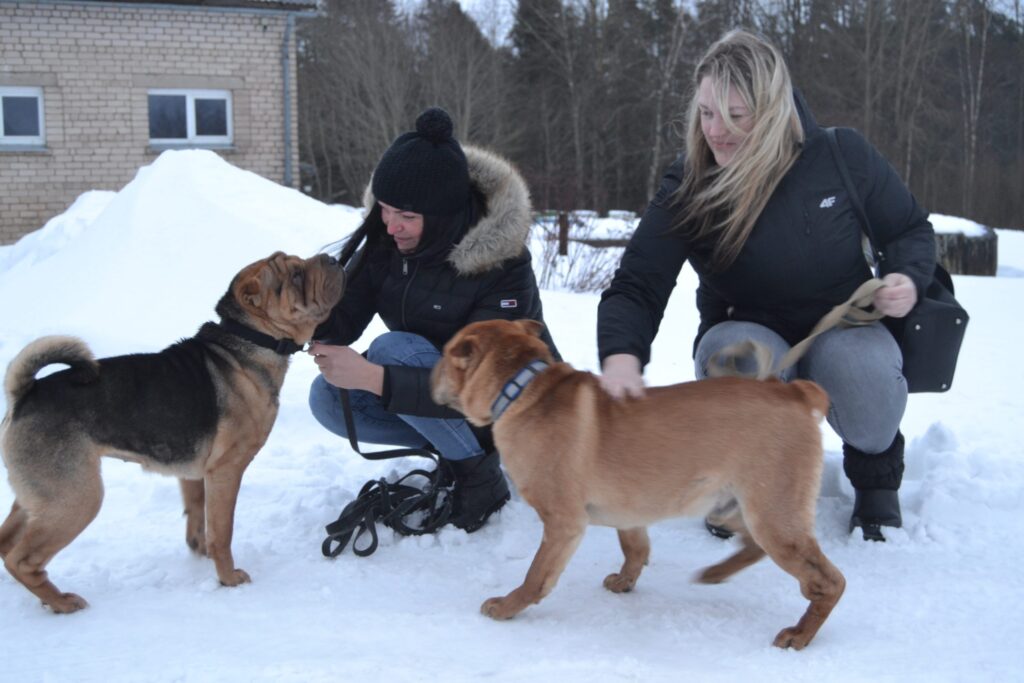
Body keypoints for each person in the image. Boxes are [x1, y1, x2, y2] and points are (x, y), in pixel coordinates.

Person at [596, 30, 936, 542]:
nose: (717, 131)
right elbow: (638, 282)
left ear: (774, 108)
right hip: (746, 328)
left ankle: (874, 478)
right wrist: (621, 355)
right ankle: (733, 480)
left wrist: (906, 278)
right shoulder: (691, 183)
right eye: (707, 113)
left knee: (861, 372)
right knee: (738, 357)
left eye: (736, 115)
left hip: (843, 324)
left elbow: (910, 229)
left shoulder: (840, 156)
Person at [308, 107, 559, 533]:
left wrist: (374, 378)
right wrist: (299, 315)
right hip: (434, 390)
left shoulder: (503, 264)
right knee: (328, 398)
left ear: (443, 216)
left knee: (392, 349)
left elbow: (480, 385)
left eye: (407, 217)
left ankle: (481, 478)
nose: (391, 226)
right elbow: (345, 317)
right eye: (385, 210)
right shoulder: (388, 240)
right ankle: (456, 448)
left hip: (514, 407)